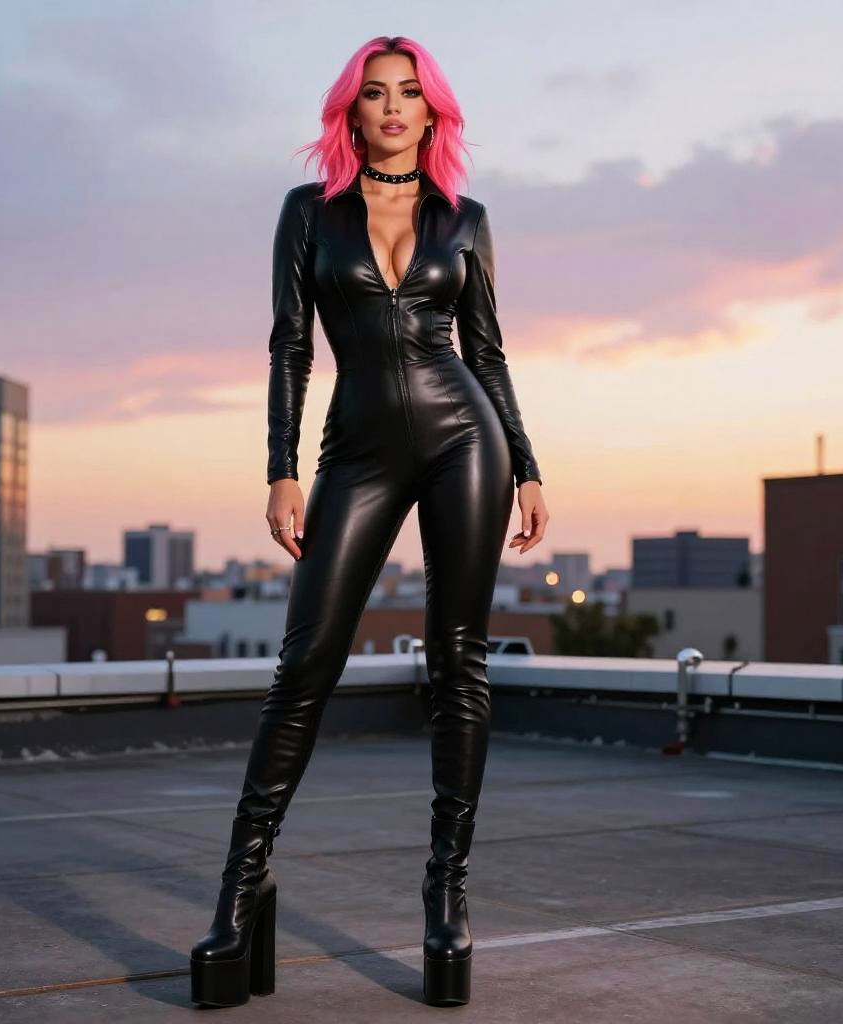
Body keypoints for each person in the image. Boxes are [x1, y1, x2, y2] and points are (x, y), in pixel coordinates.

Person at [189, 34, 548, 1009]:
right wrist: (278, 469)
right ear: (350, 112)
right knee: (305, 662)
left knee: (457, 656)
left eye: (410, 93)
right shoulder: (309, 215)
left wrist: (526, 462)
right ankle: (240, 888)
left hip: (463, 436)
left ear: (433, 112)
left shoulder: (465, 220)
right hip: (354, 448)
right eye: (374, 94)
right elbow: (288, 348)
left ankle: (446, 891)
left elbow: (491, 349)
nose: (393, 107)